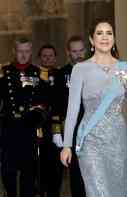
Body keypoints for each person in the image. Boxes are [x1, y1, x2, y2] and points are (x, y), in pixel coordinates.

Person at [60, 19, 127, 197]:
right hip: (89, 140)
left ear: (114, 38)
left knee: (117, 190)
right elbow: (72, 110)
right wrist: (67, 145)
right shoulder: (81, 69)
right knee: (97, 191)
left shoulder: (126, 68)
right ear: (91, 39)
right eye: (99, 33)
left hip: (117, 139)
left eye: (109, 33)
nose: (105, 37)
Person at [0, 37, 48, 197]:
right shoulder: (4, 72)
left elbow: (44, 102)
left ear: (31, 52)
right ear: (14, 51)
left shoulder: (39, 73)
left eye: (27, 51)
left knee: (29, 173)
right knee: (8, 173)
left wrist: (35, 118)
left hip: (29, 130)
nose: (23, 55)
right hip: (9, 129)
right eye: (20, 51)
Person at [52, 35, 86, 197]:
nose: (78, 55)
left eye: (81, 50)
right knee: (76, 173)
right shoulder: (61, 74)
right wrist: (57, 130)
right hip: (72, 129)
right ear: (68, 52)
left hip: (93, 128)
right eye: (74, 51)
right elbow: (57, 105)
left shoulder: (95, 70)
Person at [36, 44, 63, 197]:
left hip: (57, 128)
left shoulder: (60, 74)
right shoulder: (34, 75)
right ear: (39, 58)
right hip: (39, 128)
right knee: (40, 169)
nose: (47, 58)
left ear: (55, 57)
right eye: (44, 56)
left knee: (56, 168)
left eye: (50, 55)